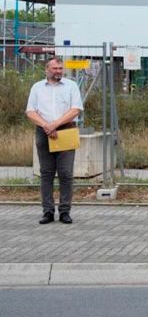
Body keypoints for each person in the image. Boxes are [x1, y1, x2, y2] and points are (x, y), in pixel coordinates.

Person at [25, 57, 83, 225]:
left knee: (66, 173)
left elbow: (75, 109)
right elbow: (30, 111)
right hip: (43, 132)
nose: (58, 71)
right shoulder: (37, 88)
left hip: (65, 130)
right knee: (46, 173)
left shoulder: (71, 86)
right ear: (47, 69)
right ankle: (48, 211)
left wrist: (55, 125)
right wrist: (46, 126)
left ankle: (65, 211)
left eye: (60, 68)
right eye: (55, 68)